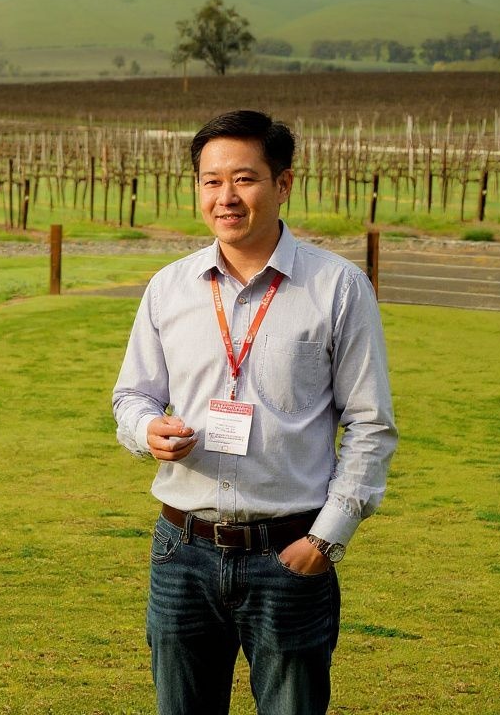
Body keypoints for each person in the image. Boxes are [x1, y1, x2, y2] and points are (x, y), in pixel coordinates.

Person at [112, 110, 397, 715]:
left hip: (289, 553)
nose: (226, 197)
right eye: (211, 181)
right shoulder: (169, 287)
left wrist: (328, 539)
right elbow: (131, 396)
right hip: (180, 552)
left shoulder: (338, 288)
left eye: (244, 179)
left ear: (283, 183)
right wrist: (146, 431)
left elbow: (370, 423)